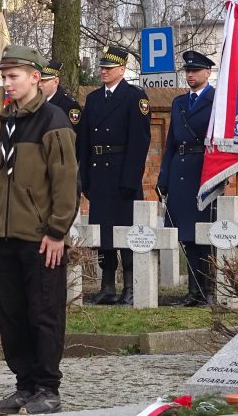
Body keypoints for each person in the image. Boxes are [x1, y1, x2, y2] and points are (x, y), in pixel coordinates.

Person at [0, 45, 77, 414]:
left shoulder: (53, 119)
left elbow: (65, 182)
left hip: (40, 236)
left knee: (43, 313)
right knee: (11, 314)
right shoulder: (1, 120)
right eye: (4, 76)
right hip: (2, 233)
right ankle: (25, 384)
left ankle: (47, 386)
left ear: (35, 77)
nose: (8, 83)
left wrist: (58, 231)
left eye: (14, 76)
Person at [77, 46, 151, 306]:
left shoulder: (135, 98)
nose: (103, 71)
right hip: (99, 175)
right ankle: (107, 285)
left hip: (122, 175)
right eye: (102, 67)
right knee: (103, 235)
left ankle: (129, 286)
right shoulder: (95, 99)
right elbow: (84, 142)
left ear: (122, 69)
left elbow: (139, 143)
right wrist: (84, 177)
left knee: (127, 233)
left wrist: (130, 180)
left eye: (109, 68)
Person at [157, 51, 216, 307]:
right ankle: (193, 291)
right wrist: (164, 177)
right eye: (187, 71)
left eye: (195, 71)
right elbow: (170, 143)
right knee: (185, 233)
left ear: (207, 73)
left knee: (204, 234)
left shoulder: (216, 100)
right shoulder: (179, 102)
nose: (190, 75)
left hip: (204, 171)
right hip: (181, 171)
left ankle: (207, 289)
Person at [39, 61, 82, 133]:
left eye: (43, 81)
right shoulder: (35, 101)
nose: (39, 85)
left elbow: (75, 135)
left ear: (56, 82)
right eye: (38, 81)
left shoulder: (69, 106)